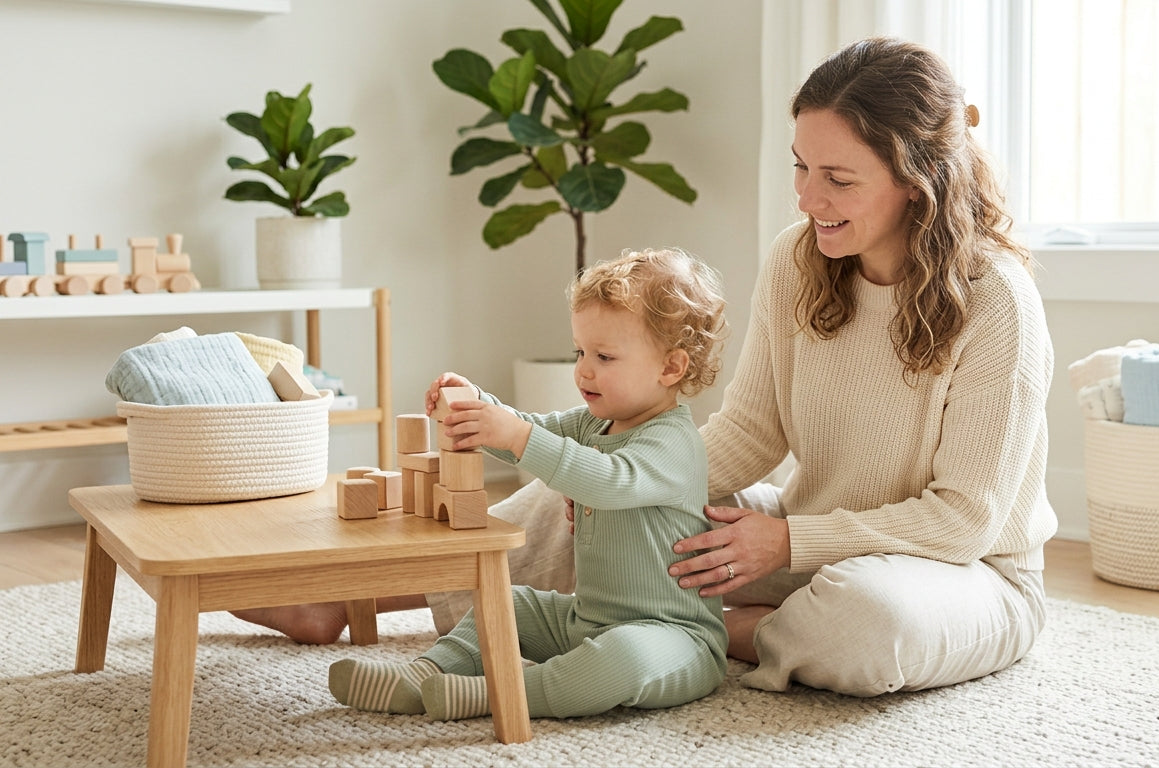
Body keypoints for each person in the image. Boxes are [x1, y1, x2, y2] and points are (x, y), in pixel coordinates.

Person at [237, 36, 1056, 699]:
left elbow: (965, 521)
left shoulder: (997, 300)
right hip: (804, 535)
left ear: (918, 180)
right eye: (800, 167)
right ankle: (347, 600)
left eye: (838, 179)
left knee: (868, 621)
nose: (808, 199)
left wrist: (787, 542)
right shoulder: (801, 258)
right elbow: (751, 431)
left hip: (963, 575)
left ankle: (708, 630)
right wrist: (618, 476)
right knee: (593, 483)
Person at [326, 247, 731, 721]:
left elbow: (610, 481)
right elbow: (528, 431)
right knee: (507, 603)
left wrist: (518, 435)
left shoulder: (674, 441)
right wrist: (480, 408)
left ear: (670, 368)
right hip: (587, 620)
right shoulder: (593, 422)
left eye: (604, 356)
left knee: (622, 658)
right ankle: (420, 677)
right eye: (580, 352)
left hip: (674, 637)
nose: (584, 370)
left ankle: (497, 695)